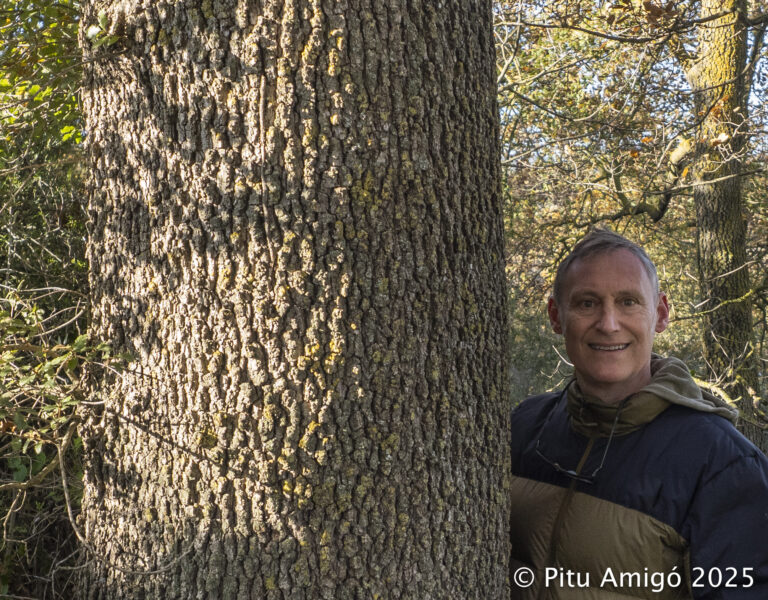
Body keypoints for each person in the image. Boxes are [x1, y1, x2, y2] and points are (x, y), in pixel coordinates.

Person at [509, 228, 768, 599]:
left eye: (628, 302)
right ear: (555, 315)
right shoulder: (524, 429)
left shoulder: (722, 462)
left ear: (660, 314)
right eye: (586, 303)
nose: (609, 323)